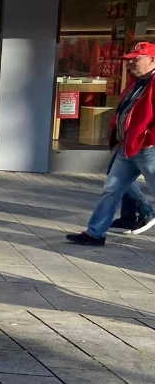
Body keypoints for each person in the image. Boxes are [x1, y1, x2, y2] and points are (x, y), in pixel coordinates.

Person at [69, 41, 155, 245]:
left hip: (148, 148)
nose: (131, 63)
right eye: (130, 60)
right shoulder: (136, 82)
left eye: (136, 59)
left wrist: (148, 138)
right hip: (128, 147)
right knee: (111, 188)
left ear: (152, 60)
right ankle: (95, 233)